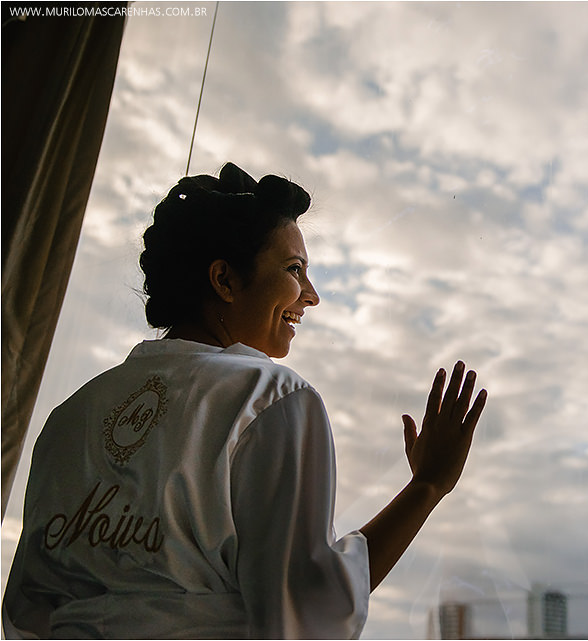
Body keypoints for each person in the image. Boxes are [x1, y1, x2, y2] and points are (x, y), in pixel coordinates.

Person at [2, 163, 487, 639]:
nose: (311, 296)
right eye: (295, 270)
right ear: (225, 280)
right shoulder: (270, 398)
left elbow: (26, 612)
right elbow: (307, 618)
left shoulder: (68, 419)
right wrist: (427, 486)